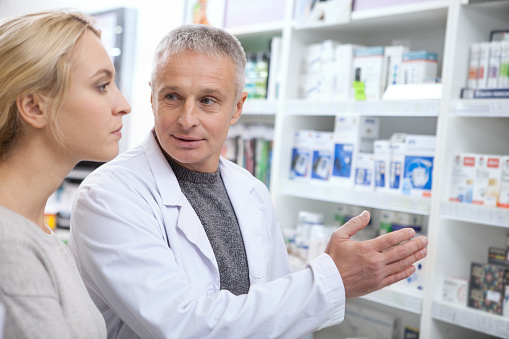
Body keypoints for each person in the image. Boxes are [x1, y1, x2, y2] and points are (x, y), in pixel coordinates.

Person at [69, 24, 428, 339]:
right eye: (173, 97)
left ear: (237, 107)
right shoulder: (110, 195)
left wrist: (329, 280)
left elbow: (278, 312)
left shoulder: (251, 191)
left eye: (208, 100)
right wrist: (331, 280)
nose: (187, 119)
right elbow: (182, 327)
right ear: (152, 97)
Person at [0, 10, 131, 338]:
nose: (124, 104)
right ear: (34, 107)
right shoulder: (10, 245)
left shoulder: (38, 234)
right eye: (102, 86)